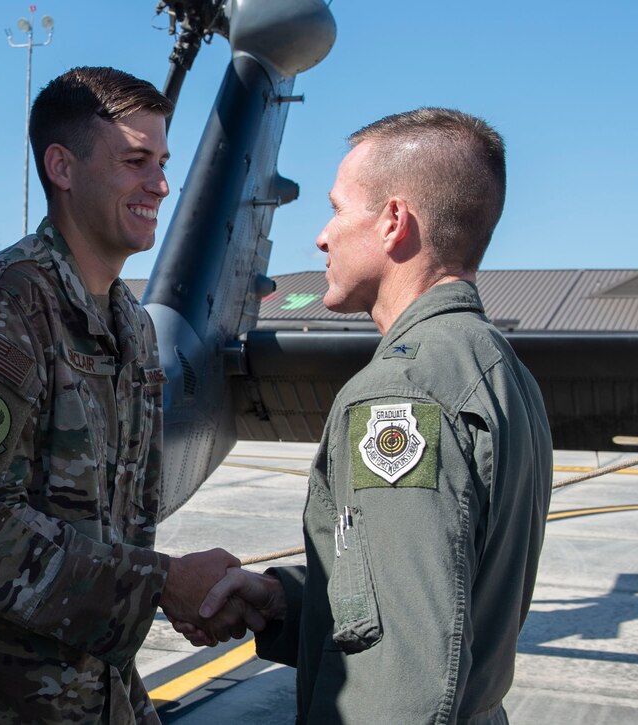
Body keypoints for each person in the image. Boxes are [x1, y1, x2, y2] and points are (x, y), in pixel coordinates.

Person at [0, 66, 255, 724]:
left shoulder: (133, 329)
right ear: (62, 166)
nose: (161, 185)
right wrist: (161, 583)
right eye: (135, 161)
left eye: (162, 162)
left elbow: (118, 531)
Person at [183, 108, 553, 723]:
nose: (322, 236)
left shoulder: (399, 394)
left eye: (336, 209)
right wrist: (282, 601)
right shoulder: (493, 365)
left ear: (393, 223)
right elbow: (434, 594)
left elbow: (403, 672)